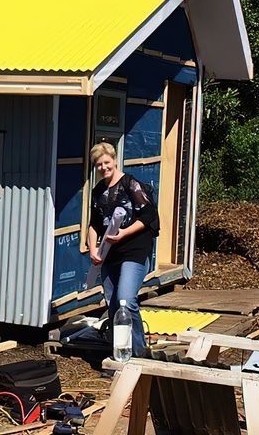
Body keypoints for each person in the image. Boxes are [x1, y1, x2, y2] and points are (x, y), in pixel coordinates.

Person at [87, 142, 158, 357]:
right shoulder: (98, 191)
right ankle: (121, 351)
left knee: (126, 299)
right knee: (114, 304)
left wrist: (125, 233)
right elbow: (94, 224)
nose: (103, 167)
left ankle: (138, 353)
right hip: (110, 253)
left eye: (106, 162)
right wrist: (93, 248)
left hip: (134, 250)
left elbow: (149, 216)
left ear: (115, 161)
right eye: (98, 165)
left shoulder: (130, 184)